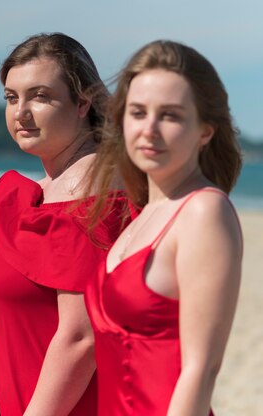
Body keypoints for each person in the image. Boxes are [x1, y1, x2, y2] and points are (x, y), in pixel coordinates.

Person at [0, 33, 129, 415]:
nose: (20, 112)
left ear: (82, 102)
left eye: (40, 96)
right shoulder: (45, 192)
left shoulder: (94, 188)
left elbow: (81, 336)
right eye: (12, 98)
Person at [84, 40, 242, 415]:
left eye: (169, 115)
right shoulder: (143, 215)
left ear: (205, 130)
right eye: (138, 112)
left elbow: (200, 369)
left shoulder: (204, 211)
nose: (149, 129)